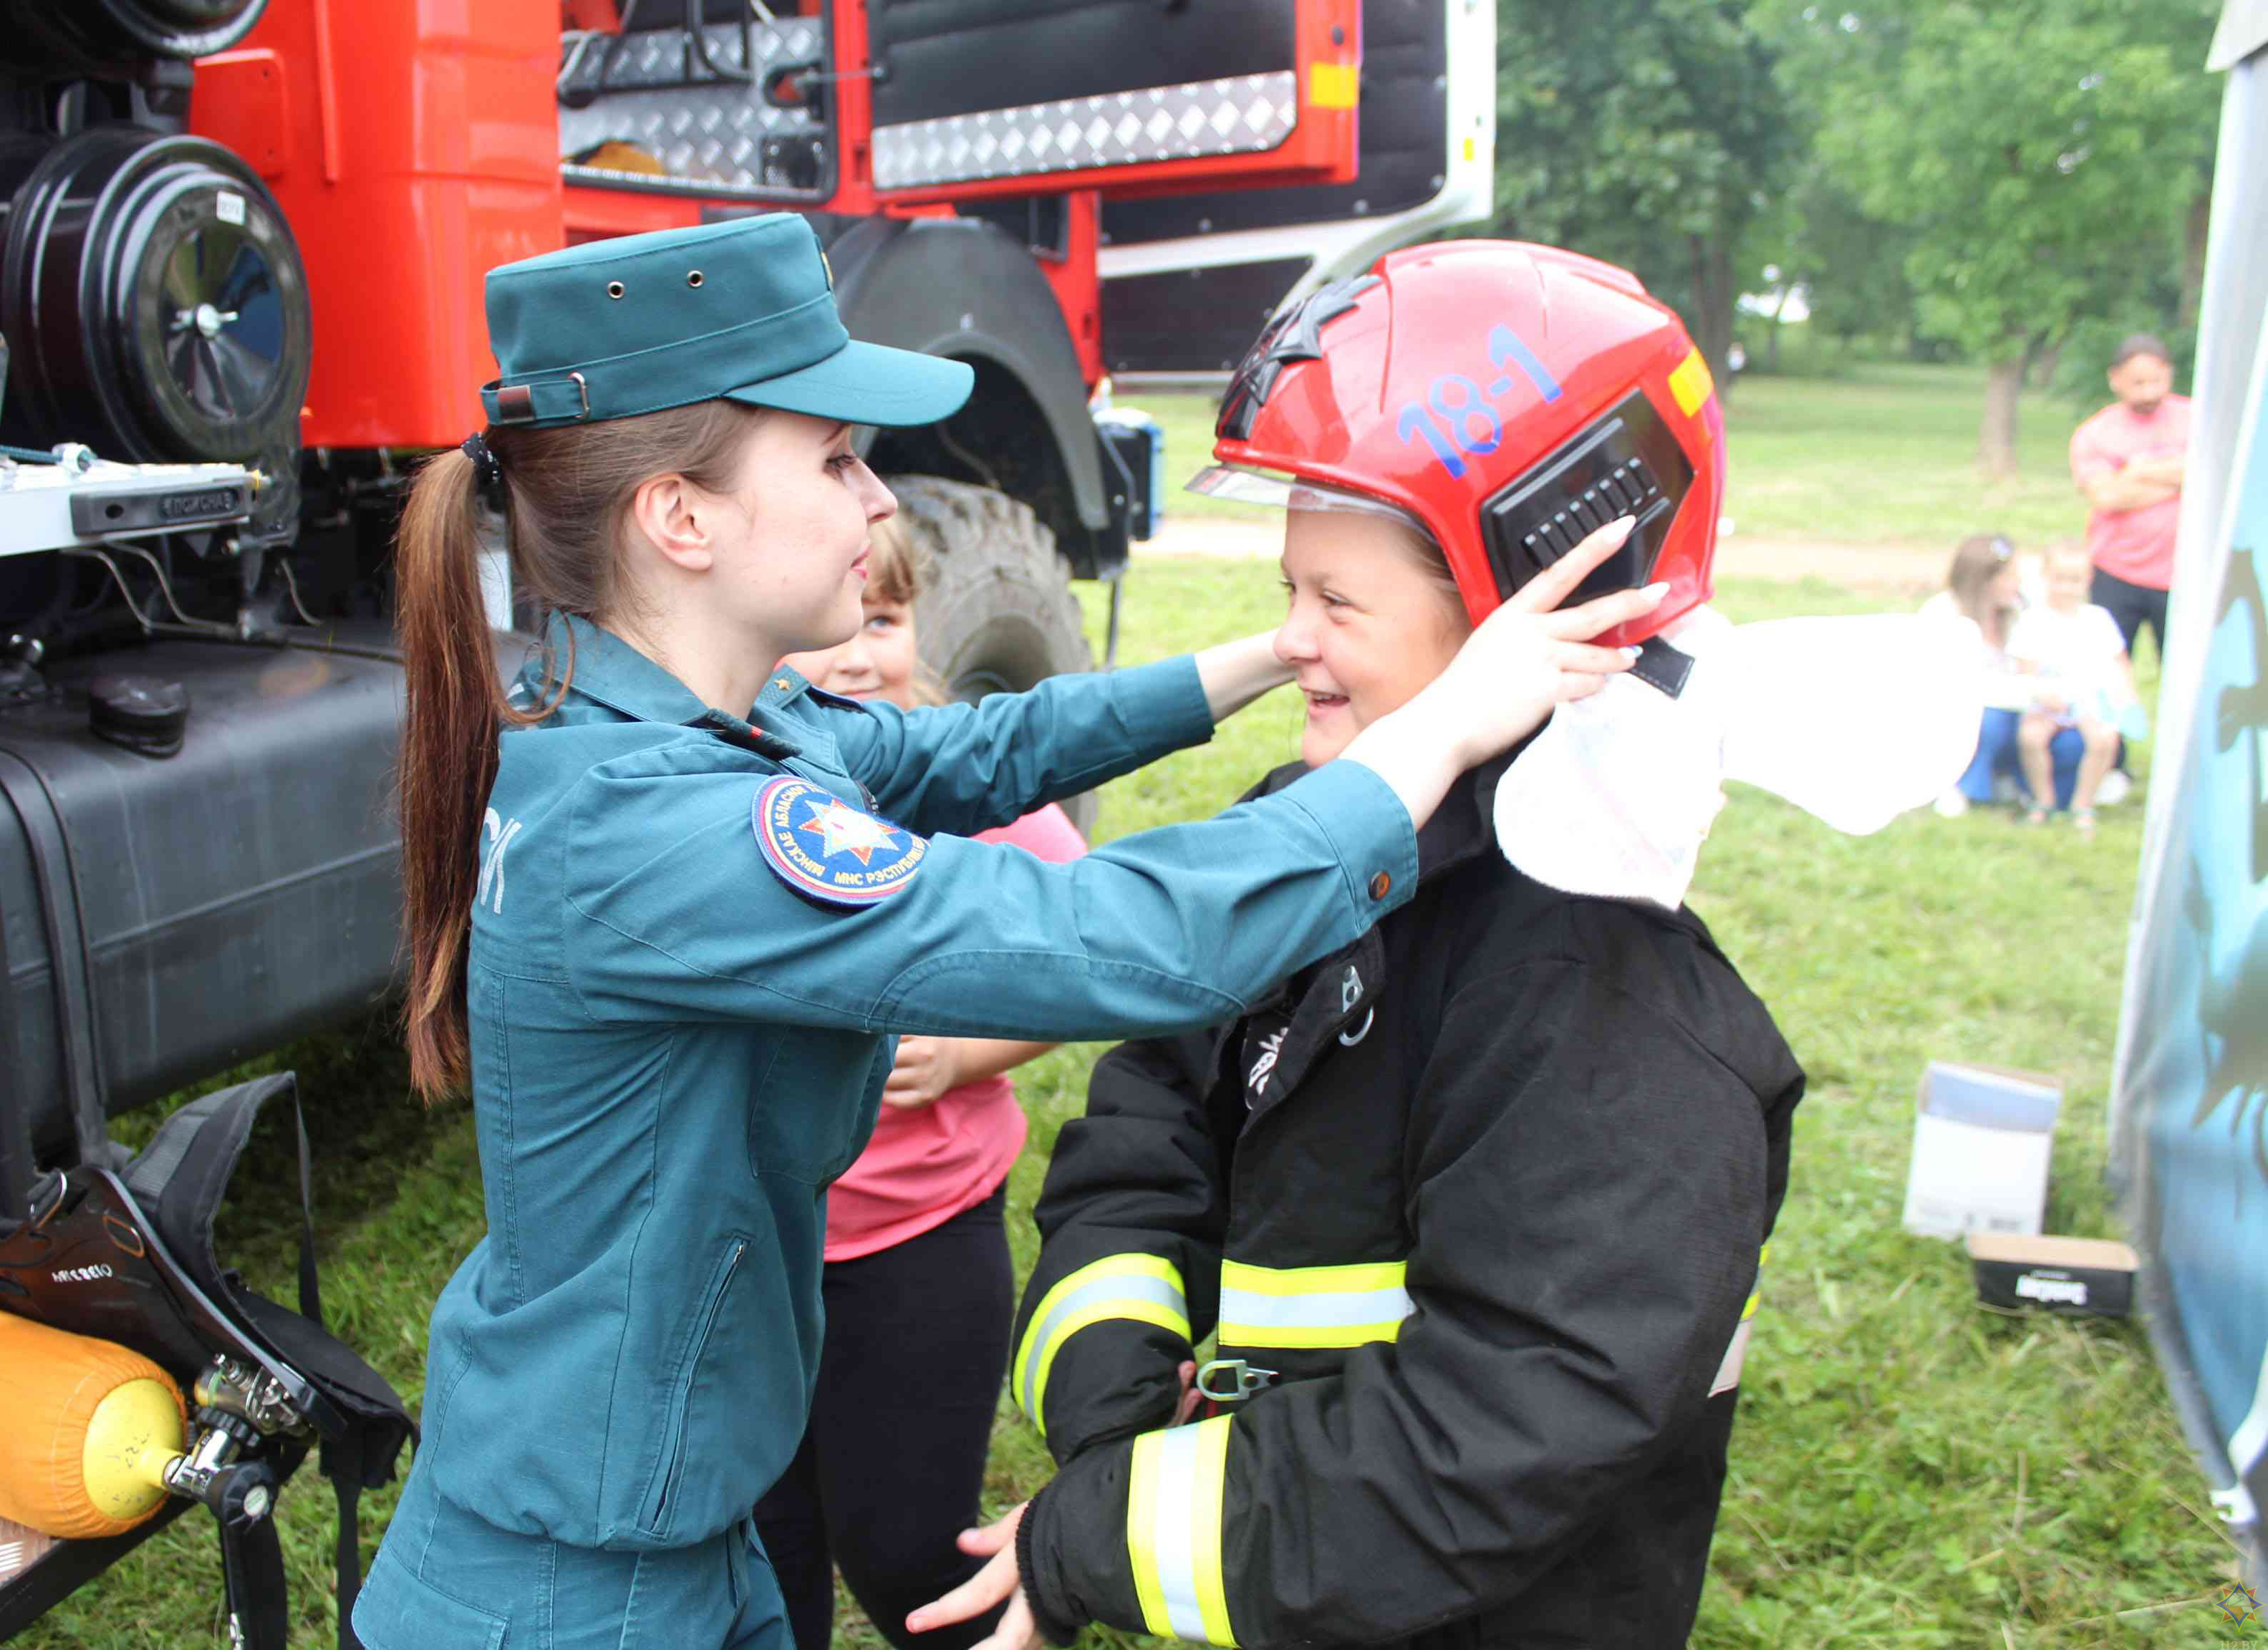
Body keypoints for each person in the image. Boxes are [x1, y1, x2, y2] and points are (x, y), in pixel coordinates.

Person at [351, 214, 1660, 1650]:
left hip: (654, 1520)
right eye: (839, 460)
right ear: (682, 518)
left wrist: (1272, 655)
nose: (874, 505)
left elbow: (979, 751)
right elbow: (1119, 937)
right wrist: (1447, 728)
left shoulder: (680, 718)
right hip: (575, 1591)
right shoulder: (662, 831)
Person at [913, 243, 1803, 1650]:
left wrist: (1105, 1531)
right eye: (1291, 588)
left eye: (1338, 603)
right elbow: (1150, 1122)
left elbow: (1497, 1428)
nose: (1291, 645)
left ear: (1541, 608)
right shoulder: (1302, 842)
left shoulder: (1605, 999)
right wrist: (1117, 1413)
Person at [753, 514, 1084, 1650]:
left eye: (882, 617)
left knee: (906, 1557)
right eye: (821, 623)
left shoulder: (949, 778)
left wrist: (960, 1054)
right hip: (749, 1253)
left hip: (918, 1244)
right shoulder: (716, 790)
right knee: (760, 1554)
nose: (855, 651)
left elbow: (1077, 965)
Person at [2070, 332, 2191, 664]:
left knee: (2187, 672)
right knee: (2105, 673)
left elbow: (2210, 473)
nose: (2150, 392)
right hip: (2116, 572)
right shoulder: (2096, 433)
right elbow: (2107, 497)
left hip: (2186, 573)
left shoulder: (2197, 419)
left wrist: (2137, 470)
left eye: (2158, 380)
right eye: (2138, 383)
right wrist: (2180, 481)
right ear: (2115, 379)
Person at [2012, 544, 2135, 832]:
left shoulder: (2098, 619)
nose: (2066, 588)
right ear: (2045, 578)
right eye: (2059, 579)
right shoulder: (2033, 620)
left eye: (2074, 580)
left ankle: (2084, 802)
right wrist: (2041, 693)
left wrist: (2127, 698)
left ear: (2087, 580)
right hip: (2048, 700)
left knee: (2104, 739)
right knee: (2031, 737)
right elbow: (2025, 671)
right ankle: (2044, 799)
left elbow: (2119, 663)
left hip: (2088, 698)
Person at [1924, 534, 2031, 816]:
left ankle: (2020, 783)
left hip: (2016, 705)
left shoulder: (2018, 611)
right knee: (1990, 721)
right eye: (2009, 576)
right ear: (1982, 579)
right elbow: (1946, 684)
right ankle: (1964, 787)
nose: (2017, 583)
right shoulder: (1942, 613)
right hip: (1958, 712)